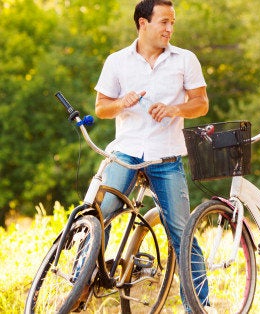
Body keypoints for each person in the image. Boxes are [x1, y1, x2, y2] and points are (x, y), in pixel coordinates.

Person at [93, 0, 209, 310]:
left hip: (166, 156)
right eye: (164, 22)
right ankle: (79, 283)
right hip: (127, 152)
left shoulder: (185, 59)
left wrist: (175, 109)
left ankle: (199, 305)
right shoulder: (117, 61)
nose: (170, 28)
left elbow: (201, 103)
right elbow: (101, 108)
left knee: (183, 233)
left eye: (172, 22)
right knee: (99, 215)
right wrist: (121, 103)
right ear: (143, 23)